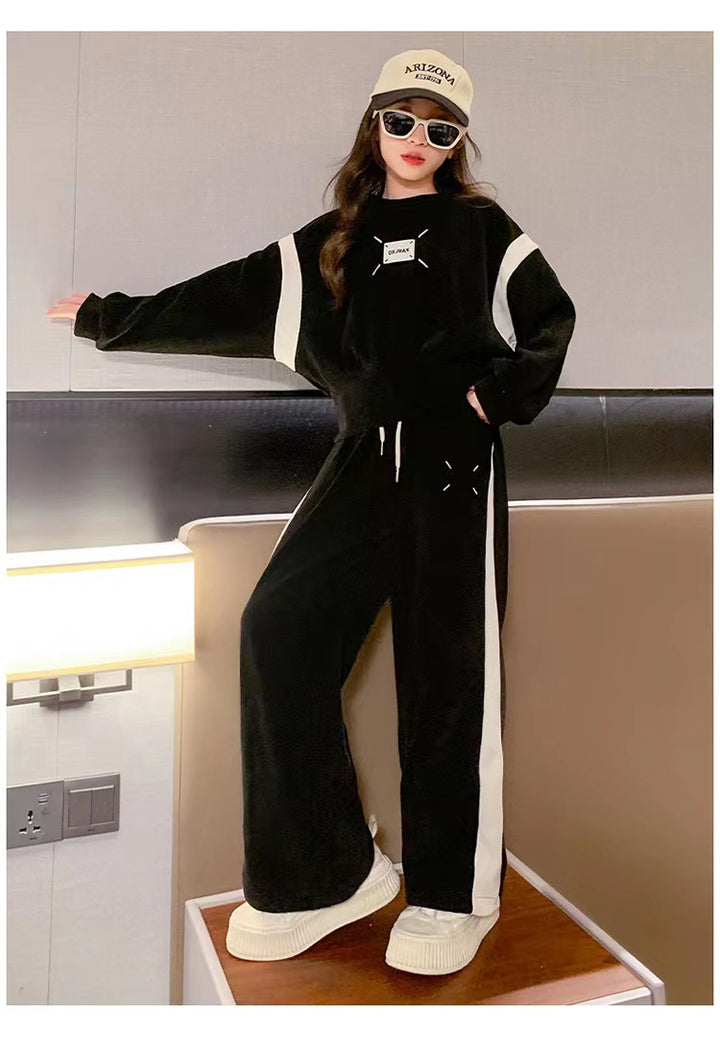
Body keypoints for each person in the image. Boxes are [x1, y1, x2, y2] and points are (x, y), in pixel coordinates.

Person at [48, 48, 576, 976]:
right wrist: (107, 315)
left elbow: (551, 320)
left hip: (454, 473)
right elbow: (220, 299)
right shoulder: (328, 243)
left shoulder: (484, 230)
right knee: (277, 626)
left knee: (448, 682)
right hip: (360, 462)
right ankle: (326, 874)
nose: (417, 140)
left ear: (456, 142)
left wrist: (492, 401)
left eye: (439, 128)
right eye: (401, 120)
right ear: (375, 125)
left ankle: (455, 897)